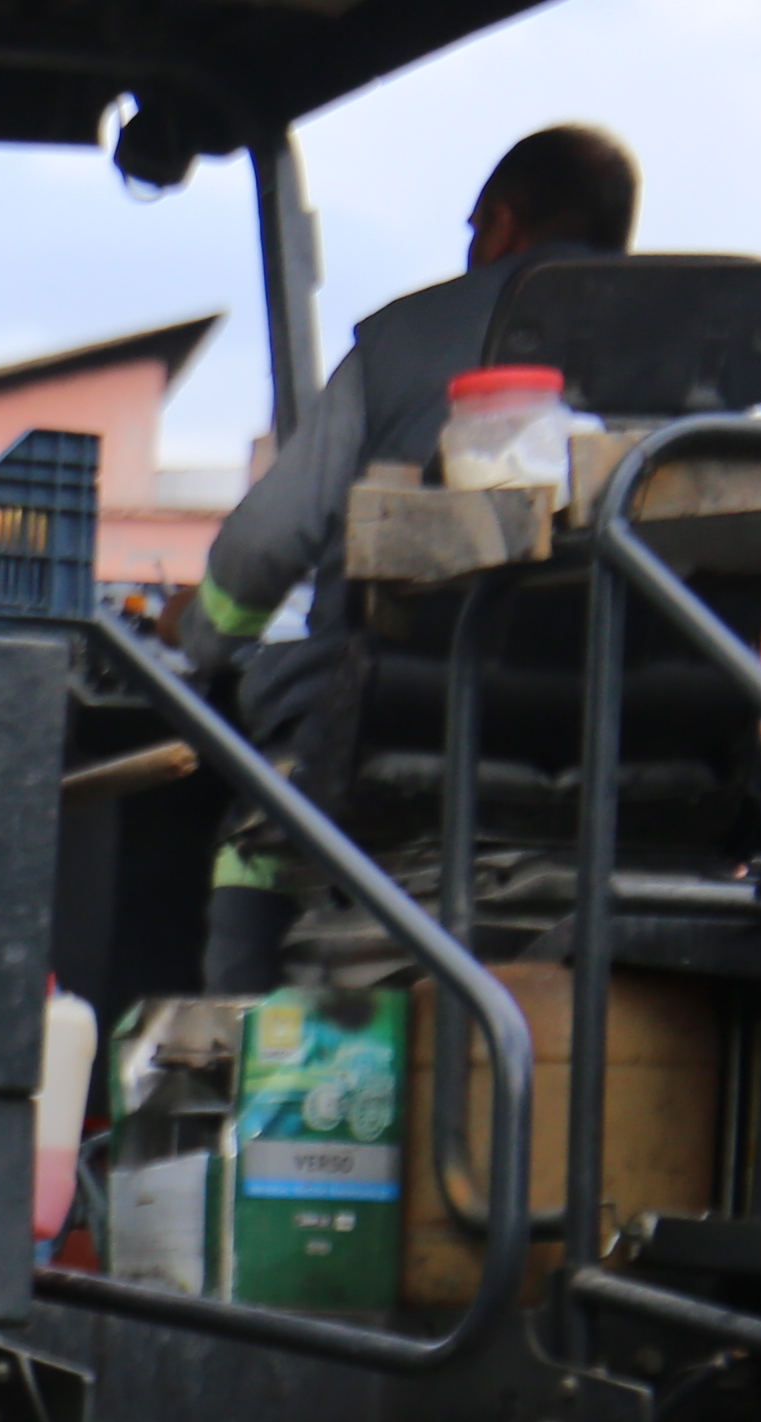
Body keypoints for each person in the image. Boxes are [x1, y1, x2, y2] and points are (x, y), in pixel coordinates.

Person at [189, 128, 639, 985]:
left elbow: (262, 546)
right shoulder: (702, 363)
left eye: (476, 228)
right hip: (638, 754)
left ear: (502, 224)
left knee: (255, 834)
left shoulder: (406, 344)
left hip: (396, 744)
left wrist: (206, 639)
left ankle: (244, 1063)